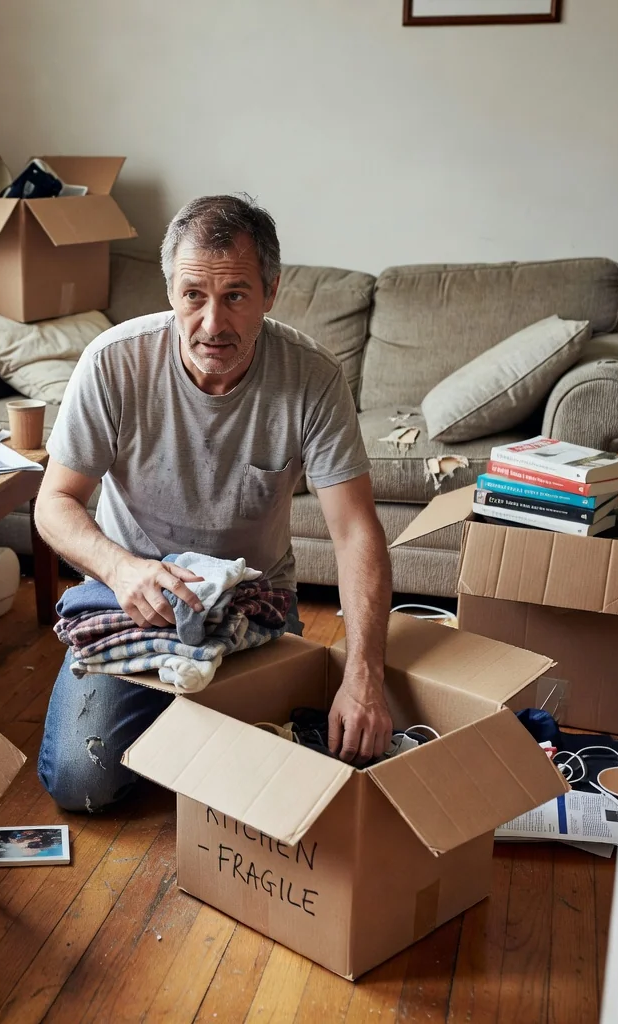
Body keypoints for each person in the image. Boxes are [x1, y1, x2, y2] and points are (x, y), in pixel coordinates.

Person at [34, 194, 392, 813]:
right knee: (80, 782)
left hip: (254, 609)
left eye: (235, 297)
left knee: (289, 786)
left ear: (271, 292)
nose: (212, 325)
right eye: (193, 295)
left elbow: (356, 532)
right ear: (170, 287)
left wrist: (365, 673)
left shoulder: (313, 377)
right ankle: (181, 731)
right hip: (135, 611)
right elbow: (55, 503)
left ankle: (186, 734)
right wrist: (122, 570)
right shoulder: (113, 362)